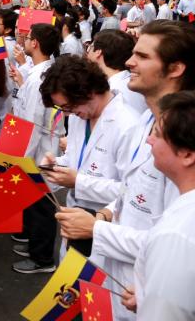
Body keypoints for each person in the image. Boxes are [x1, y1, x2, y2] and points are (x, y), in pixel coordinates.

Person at [55, 21, 195, 319]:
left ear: (176, 69)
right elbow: (130, 188)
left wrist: (96, 228)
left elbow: (177, 241)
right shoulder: (147, 122)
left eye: (142, 57)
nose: (129, 62)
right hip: (126, 285)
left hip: (157, 294)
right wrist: (105, 213)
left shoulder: (182, 143)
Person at [38, 56, 138, 257]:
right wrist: (56, 164)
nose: (68, 114)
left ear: (89, 92)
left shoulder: (128, 126)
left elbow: (131, 191)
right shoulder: (79, 117)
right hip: (74, 222)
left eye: (68, 107)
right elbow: (77, 159)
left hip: (106, 228)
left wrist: (78, 181)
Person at [123, 91, 195, 319]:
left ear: (186, 154)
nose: (149, 140)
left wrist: (153, 304)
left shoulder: (175, 236)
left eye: (158, 134)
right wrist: (149, 296)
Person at [9, 23, 60, 274]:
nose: (24, 41)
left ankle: (42, 259)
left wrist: (20, 160)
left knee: (42, 208)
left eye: (28, 38)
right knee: (36, 205)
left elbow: (31, 124)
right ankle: (34, 245)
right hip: (38, 149)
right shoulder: (42, 72)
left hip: (37, 152)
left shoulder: (40, 77)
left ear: (35, 43)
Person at [88, 29, 149, 117]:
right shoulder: (134, 83)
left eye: (90, 47)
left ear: (98, 52)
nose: (88, 52)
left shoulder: (111, 92)